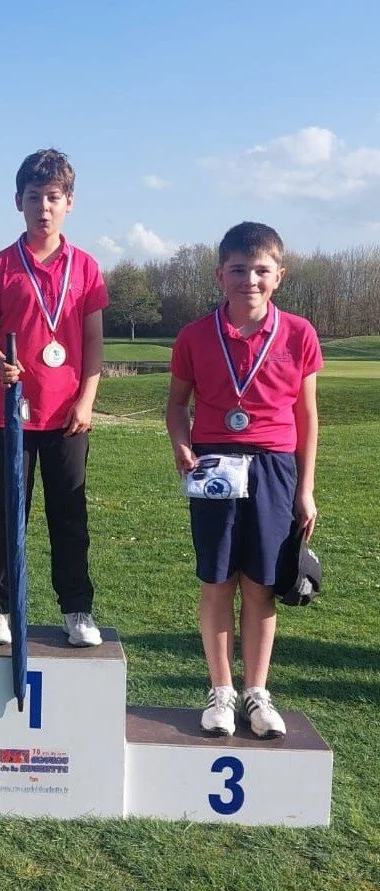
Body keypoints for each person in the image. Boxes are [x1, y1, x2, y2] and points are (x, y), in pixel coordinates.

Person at [166, 222, 322, 739]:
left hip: (276, 467)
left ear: (280, 275)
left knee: (260, 584)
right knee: (217, 580)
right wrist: (182, 444)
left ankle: (257, 693)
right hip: (214, 463)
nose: (249, 280)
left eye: (260, 271)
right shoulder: (194, 335)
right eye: (238, 270)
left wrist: (305, 488)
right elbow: (176, 406)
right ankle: (221, 693)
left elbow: (308, 417)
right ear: (220, 275)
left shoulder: (299, 334)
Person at [0, 149, 108, 647]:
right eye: (34, 198)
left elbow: (93, 342)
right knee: (9, 511)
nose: (43, 207)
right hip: (11, 414)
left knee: (70, 514)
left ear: (69, 202)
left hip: (69, 414)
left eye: (53, 198)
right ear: (18, 202)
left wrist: (86, 399)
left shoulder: (87, 268)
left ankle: (77, 609)